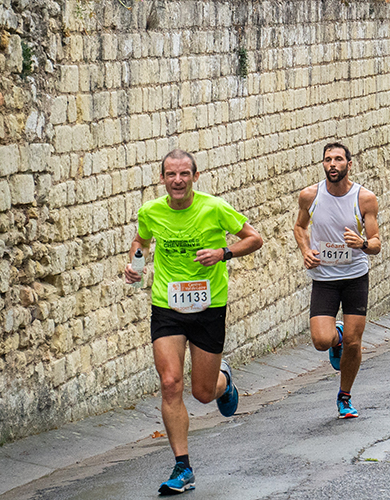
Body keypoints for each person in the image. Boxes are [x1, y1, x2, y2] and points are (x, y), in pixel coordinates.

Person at [124, 149, 263, 494]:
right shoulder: (151, 212)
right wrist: (134, 267)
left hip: (208, 306)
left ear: (195, 177)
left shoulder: (214, 208)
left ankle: (224, 381)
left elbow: (254, 238)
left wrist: (223, 253)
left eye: (184, 174)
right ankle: (182, 466)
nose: (178, 180)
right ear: (162, 179)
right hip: (167, 306)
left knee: (202, 393)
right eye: (171, 175)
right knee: (170, 383)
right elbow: (141, 241)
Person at [294, 143, 381, 420]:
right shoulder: (310, 195)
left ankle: (345, 396)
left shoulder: (365, 198)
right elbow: (299, 226)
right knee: (321, 340)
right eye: (328, 160)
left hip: (355, 275)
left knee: (355, 343)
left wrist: (363, 242)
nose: (333, 164)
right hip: (324, 278)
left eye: (338, 159)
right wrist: (306, 251)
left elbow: (377, 243)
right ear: (323, 164)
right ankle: (337, 336)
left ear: (349, 164)